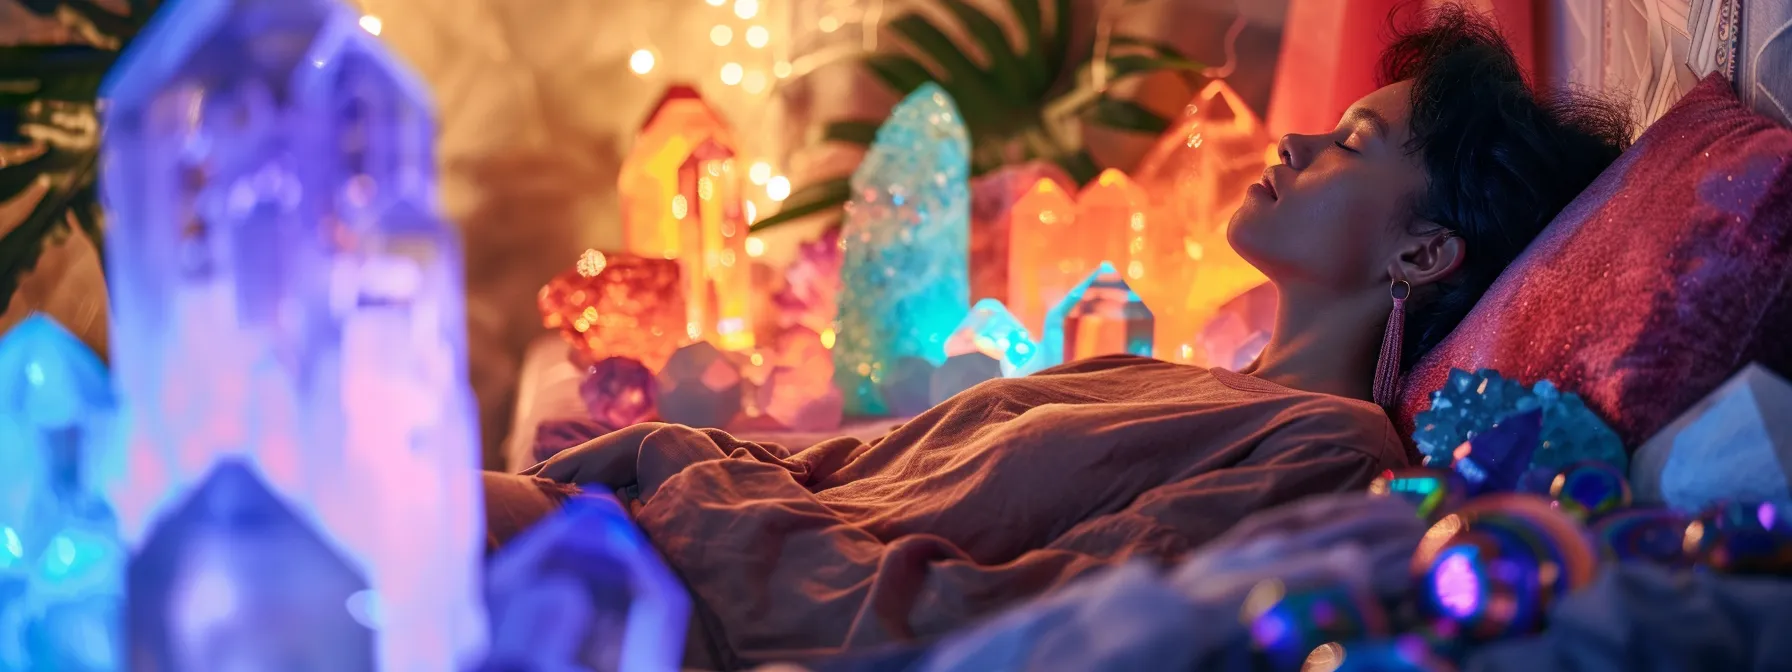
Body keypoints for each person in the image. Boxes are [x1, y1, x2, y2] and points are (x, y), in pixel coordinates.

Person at [482, 5, 1632, 669]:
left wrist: (674, 509)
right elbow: (862, 474)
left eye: (1348, 143)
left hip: (691, 604)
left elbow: (1004, 622)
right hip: (667, 530)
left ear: (1424, 254)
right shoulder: (1172, 374)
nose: (1289, 146)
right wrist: (658, 467)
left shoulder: (1331, 455)